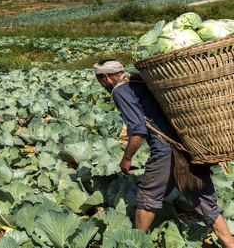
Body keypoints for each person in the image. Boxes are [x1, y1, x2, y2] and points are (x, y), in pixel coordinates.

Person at [94, 59, 234, 247]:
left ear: (105, 77)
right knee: (202, 198)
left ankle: (135, 243)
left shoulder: (120, 91)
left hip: (165, 149)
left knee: (147, 197)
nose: (102, 85)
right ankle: (230, 243)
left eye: (100, 80)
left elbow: (138, 130)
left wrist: (126, 158)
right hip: (188, 146)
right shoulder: (140, 81)